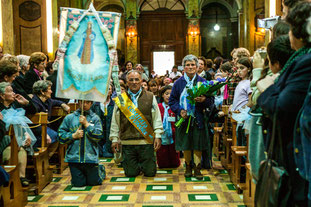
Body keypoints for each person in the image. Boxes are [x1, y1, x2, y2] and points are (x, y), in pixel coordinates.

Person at [257, 2, 311, 205]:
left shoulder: (304, 62)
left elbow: (281, 107)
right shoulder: (299, 59)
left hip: (296, 156)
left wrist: (267, 88)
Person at [110, 70, 163, 177]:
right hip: (128, 142)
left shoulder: (150, 96)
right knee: (130, 174)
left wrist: (158, 135)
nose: (134, 82)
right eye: (131, 80)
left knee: (150, 173)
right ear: (127, 82)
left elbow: (156, 117)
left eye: (137, 80)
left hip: (146, 141)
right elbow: (115, 120)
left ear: (141, 81)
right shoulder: (121, 98)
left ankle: (144, 165)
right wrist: (114, 138)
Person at [169, 54, 214, 180]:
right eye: (187, 65)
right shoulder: (178, 83)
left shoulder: (202, 82)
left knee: (198, 144)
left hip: (198, 118)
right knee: (186, 144)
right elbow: (172, 101)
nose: (190, 67)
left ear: (197, 66)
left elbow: (211, 101)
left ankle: (197, 168)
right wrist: (179, 110)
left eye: (193, 64)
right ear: (183, 67)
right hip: (183, 118)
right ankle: (188, 166)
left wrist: (204, 99)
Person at [58, 100, 105, 187]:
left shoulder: (95, 118)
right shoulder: (69, 118)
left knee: (93, 183)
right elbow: (61, 136)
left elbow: (99, 136)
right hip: (74, 158)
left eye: (87, 102)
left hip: (90, 158)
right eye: (82, 102)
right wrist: (73, 136)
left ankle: (100, 169)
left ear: (91, 103)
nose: (84, 105)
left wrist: (87, 125)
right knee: (78, 184)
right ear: (78, 102)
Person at [31, 80, 70, 147]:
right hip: (37, 130)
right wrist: (44, 134)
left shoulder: (48, 101)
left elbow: (56, 102)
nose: (51, 91)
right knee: (56, 137)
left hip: (45, 128)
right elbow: (33, 124)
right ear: (42, 92)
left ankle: (49, 156)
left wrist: (63, 104)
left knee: (59, 136)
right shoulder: (34, 103)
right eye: (49, 89)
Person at [156, 85, 180, 168]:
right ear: (162, 95)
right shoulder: (158, 106)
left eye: (171, 94)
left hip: (174, 134)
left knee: (175, 162)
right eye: (166, 94)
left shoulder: (176, 107)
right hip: (161, 134)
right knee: (162, 161)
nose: (169, 96)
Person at [91, 84, 115, 158]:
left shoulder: (114, 104)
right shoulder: (95, 104)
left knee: (108, 155)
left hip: (110, 133)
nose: (107, 91)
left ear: (111, 91)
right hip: (98, 134)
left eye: (109, 89)